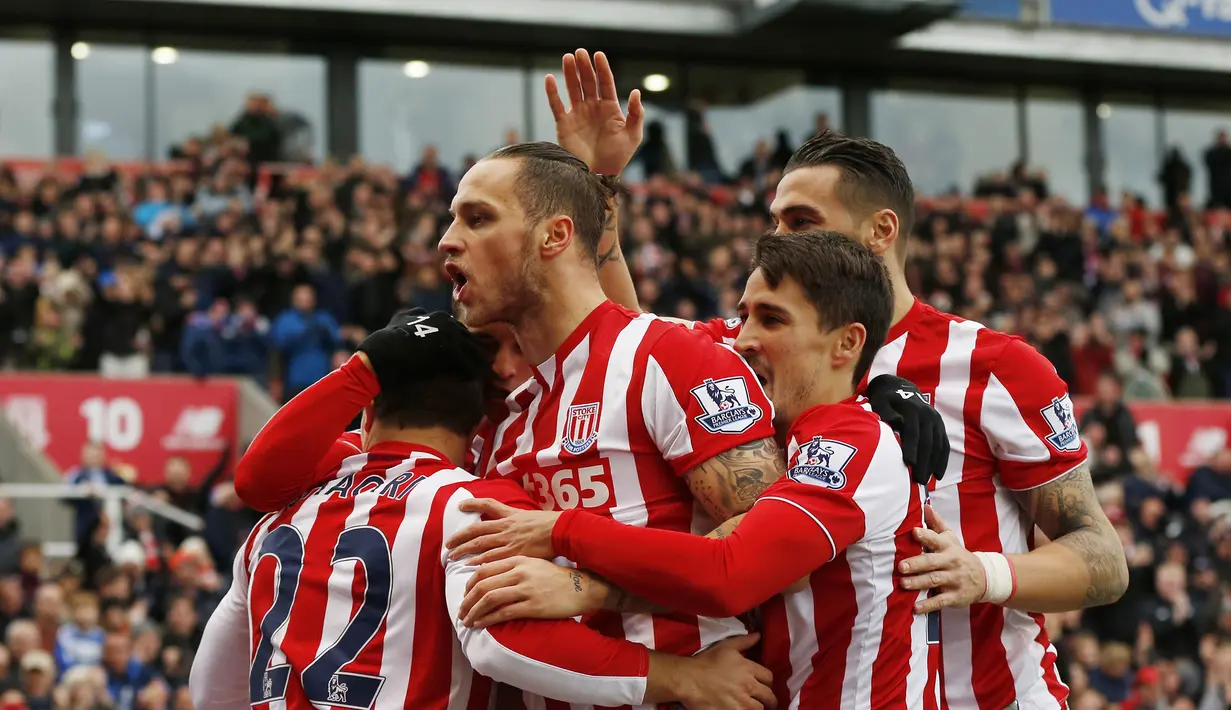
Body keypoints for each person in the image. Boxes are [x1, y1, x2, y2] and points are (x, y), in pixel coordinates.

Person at [553, 50, 1127, 710]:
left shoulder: (996, 366)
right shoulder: (751, 349)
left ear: (881, 232)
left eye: (801, 222)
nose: (778, 237)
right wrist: (595, 182)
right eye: (774, 221)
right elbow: (626, 336)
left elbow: (1101, 557)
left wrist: (984, 571)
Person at [190, 310, 775, 710]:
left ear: (366, 414)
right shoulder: (475, 502)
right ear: (479, 420)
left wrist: (360, 372)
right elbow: (502, 644)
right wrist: (687, 679)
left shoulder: (279, 518)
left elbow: (211, 688)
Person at [449, 231, 929, 709]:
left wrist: (567, 542)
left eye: (772, 320)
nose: (743, 339)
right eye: (744, 316)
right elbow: (616, 336)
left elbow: (732, 573)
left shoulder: (853, 441)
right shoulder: (796, 428)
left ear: (847, 342)